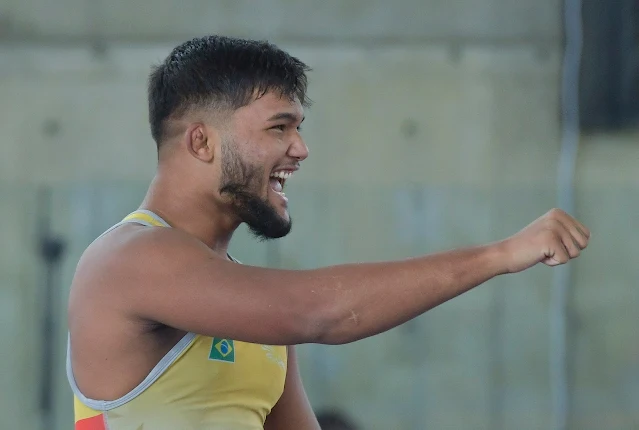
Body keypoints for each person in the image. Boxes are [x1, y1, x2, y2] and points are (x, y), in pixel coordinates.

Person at [66, 35, 590, 430]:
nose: (301, 149)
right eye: (279, 127)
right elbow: (321, 312)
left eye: (299, 127)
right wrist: (501, 254)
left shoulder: (249, 305)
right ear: (201, 142)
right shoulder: (127, 260)